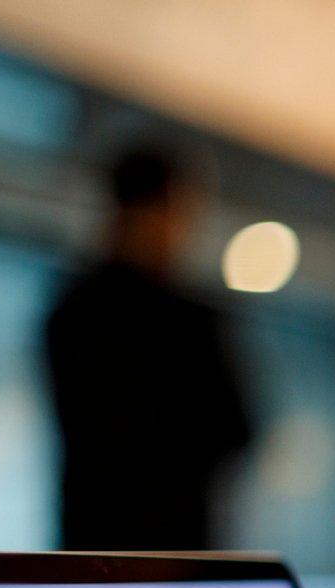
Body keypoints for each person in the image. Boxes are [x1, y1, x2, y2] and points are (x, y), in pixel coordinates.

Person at [45, 147, 252, 552]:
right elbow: (237, 431)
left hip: (88, 550)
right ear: (164, 210)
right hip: (176, 556)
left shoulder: (70, 311)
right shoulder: (189, 319)